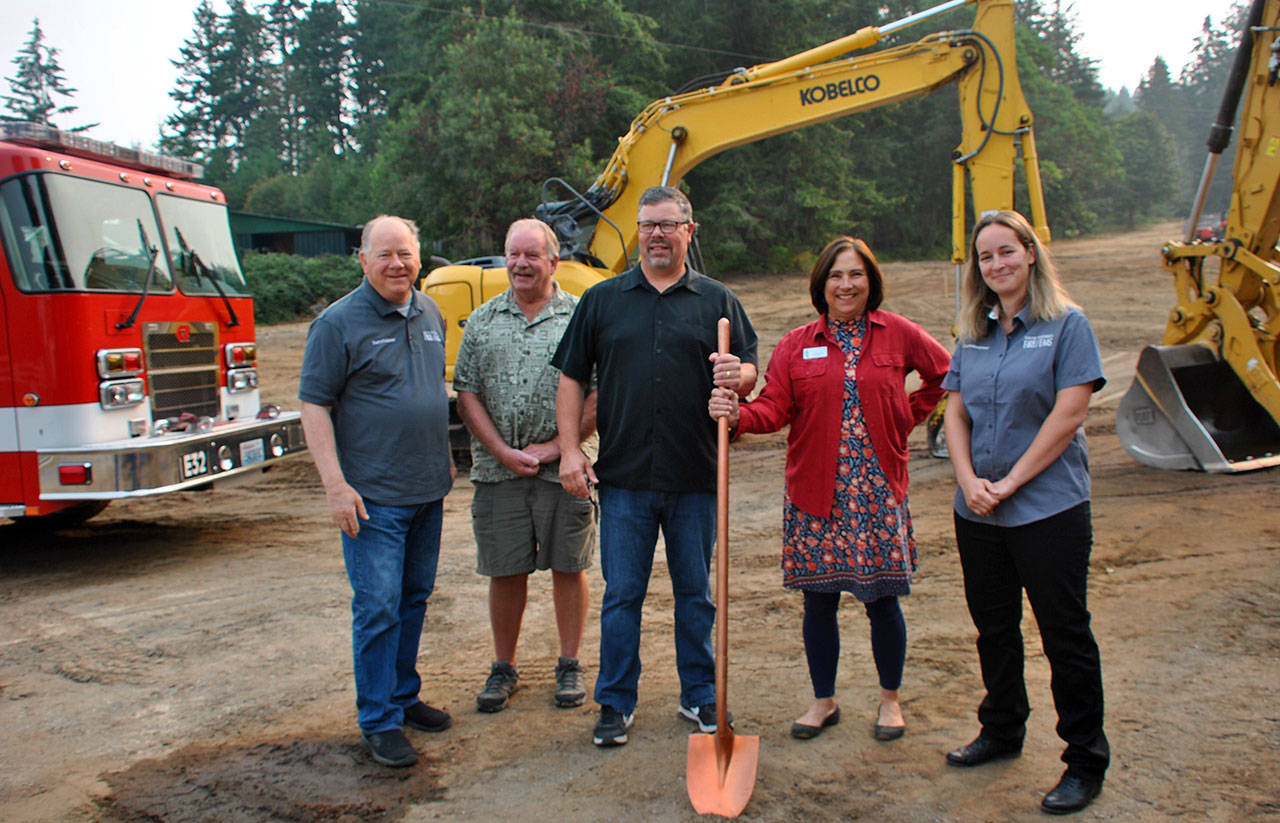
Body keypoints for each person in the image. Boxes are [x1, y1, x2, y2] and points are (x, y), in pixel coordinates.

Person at [708, 236, 950, 743]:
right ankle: (824, 701)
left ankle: (890, 701)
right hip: (816, 496)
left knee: (883, 601)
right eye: (836, 276)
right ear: (821, 284)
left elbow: (945, 373)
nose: (846, 285)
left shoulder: (898, 333)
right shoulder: (797, 344)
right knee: (818, 603)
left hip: (878, 494)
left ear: (870, 282)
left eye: (856, 275)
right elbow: (774, 407)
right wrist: (737, 416)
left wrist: (906, 415)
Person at [552, 186, 759, 747]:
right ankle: (615, 702)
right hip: (624, 481)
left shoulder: (717, 301)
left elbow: (748, 371)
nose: (657, 235)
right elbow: (571, 377)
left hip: (696, 478)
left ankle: (699, 694)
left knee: (697, 594)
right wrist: (571, 451)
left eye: (668, 225)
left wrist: (733, 379)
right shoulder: (603, 300)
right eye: (647, 226)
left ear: (690, 230)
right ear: (638, 232)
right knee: (622, 596)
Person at [941, 210, 1110, 815]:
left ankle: (1084, 760)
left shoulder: (1067, 326)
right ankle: (1002, 727)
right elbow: (955, 413)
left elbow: (1069, 414)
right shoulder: (973, 332)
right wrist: (969, 481)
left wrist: (1010, 481)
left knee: (1064, 636)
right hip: (979, 512)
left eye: (1006, 252)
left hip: (1047, 510)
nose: (997, 265)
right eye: (985, 258)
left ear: (1030, 254)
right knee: (994, 630)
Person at [298, 215, 455, 769]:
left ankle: (403, 696)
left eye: (406, 254)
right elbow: (314, 404)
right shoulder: (337, 324)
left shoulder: (429, 310)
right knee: (378, 608)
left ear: (419, 256)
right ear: (362, 259)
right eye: (385, 254)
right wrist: (336, 486)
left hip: (426, 491)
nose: (397, 264)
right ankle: (379, 720)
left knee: (412, 600)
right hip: (372, 499)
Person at [453, 218, 598, 714]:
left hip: (567, 471)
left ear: (554, 262)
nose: (520, 264)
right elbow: (466, 393)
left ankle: (569, 663)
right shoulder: (482, 321)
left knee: (568, 565)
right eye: (513, 254)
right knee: (505, 569)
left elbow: (601, 393)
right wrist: (502, 452)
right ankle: (503, 668)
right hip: (499, 473)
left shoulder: (580, 317)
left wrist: (559, 447)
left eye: (532, 255)